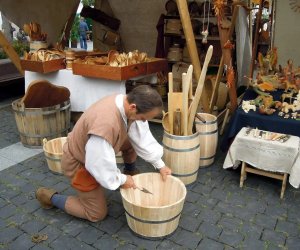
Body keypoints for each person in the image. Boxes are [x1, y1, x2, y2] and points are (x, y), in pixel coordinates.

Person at [36, 85, 172, 222]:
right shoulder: (106, 124)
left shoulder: (124, 102)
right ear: (133, 107)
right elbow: (98, 164)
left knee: (131, 138)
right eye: (143, 118)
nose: (144, 121)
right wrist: (121, 180)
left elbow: (141, 136)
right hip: (79, 161)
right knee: (96, 214)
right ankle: (50, 198)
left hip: (97, 151)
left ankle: (130, 171)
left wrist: (160, 165)